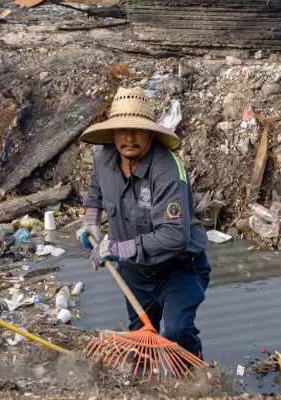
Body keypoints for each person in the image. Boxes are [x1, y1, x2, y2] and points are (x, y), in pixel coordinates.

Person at [77, 87, 211, 358]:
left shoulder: (168, 169)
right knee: (139, 335)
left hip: (179, 268)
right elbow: (96, 192)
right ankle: (142, 390)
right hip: (135, 273)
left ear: (150, 132)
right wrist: (91, 220)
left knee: (176, 333)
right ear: (112, 133)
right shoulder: (103, 158)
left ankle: (193, 385)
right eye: (122, 130)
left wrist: (117, 249)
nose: (129, 138)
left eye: (137, 130)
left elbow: (175, 236)